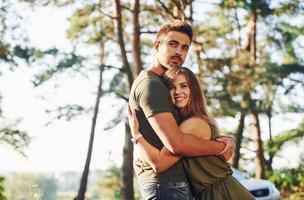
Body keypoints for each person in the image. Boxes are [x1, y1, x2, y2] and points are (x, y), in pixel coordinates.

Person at [128, 20, 235, 199]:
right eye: (173, 44)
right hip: (166, 184)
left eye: (185, 48)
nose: (179, 52)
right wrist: (220, 146)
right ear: (156, 46)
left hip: (169, 183)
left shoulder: (162, 83)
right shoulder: (151, 85)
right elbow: (176, 144)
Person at [128, 67, 255, 199]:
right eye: (171, 87)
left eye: (184, 86)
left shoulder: (193, 124)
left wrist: (137, 135)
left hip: (222, 194)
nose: (177, 92)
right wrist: (140, 155)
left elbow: (159, 164)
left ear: (193, 91)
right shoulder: (189, 121)